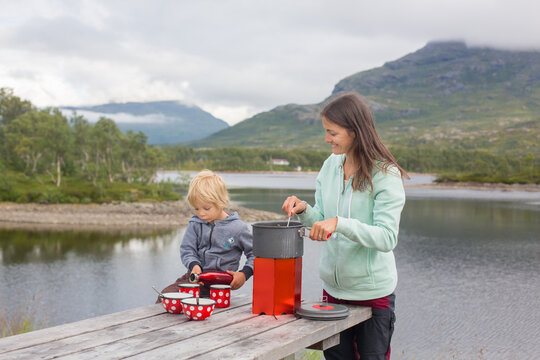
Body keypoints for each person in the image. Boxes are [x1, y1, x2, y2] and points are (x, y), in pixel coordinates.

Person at [282, 92, 407, 360]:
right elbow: (323, 221)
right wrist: (305, 210)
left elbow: (387, 238)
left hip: (373, 296)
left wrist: (340, 224)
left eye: (332, 133)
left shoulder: (385, 174)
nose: (327, 139)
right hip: (333, 294)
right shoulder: (330, 166)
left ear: (354, 131)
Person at [158, 170, 254, 300]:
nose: (201, 213)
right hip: (195, 279)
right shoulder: (195, 223)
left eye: (206, 208)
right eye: (196, 208)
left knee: (201, 309)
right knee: (165, 297)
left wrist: (244, 274)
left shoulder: (238, 228)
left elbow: (255, 254)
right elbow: (187, 249)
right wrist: (194, 265)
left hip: (220, 285)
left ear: (222, 202)